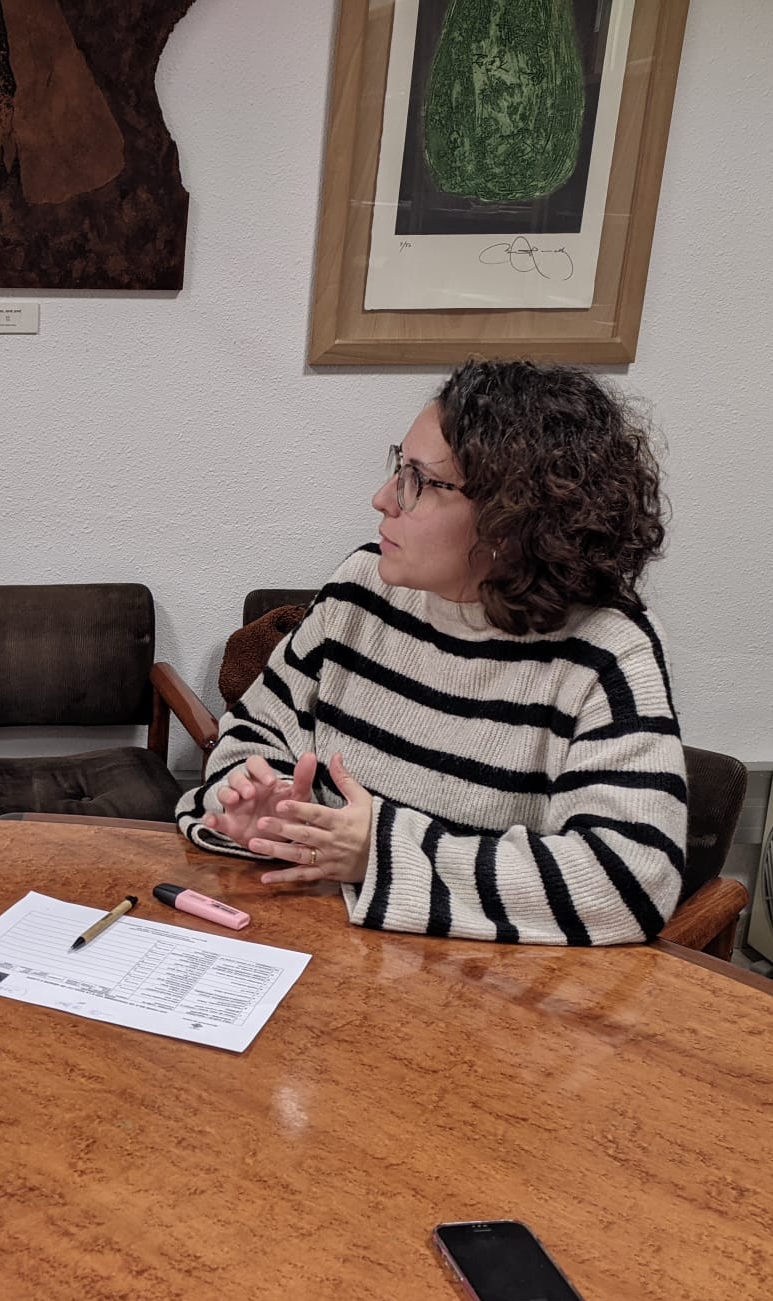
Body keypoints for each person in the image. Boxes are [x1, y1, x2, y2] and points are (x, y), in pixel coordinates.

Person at [177, 359, 686, 946]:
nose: (382, 499)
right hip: (321, 946)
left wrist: (378, 853)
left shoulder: (607, 651)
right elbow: (249, 735)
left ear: (512, 517)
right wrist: (265, 815)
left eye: (420, 481)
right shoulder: (361, 588)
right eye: (399, 467)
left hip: (477, 983)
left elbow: (628, 881)